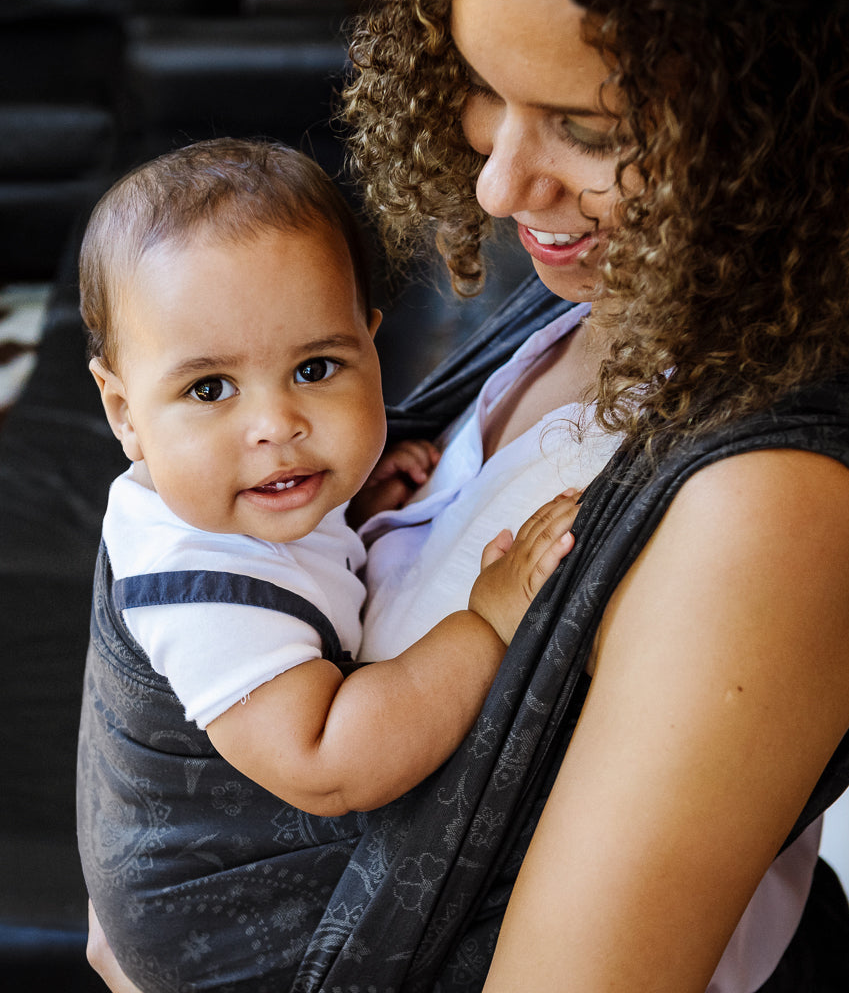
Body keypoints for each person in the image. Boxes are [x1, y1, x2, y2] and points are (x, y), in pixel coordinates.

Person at [85, 0, 849, 991]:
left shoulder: (779, 503)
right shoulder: (619, 295)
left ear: (786, 118)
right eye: (482, 85)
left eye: (589, 127)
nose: (495, 182)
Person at [76, 137, 580, 993]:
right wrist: (487, 624)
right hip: (221, 940)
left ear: (372, 349)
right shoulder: (196, 581)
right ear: (125, 412)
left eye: (316, 368)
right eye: (209, 390)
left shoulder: (248, 493)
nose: (276, 424)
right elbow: (326, 760)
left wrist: (349, 503)